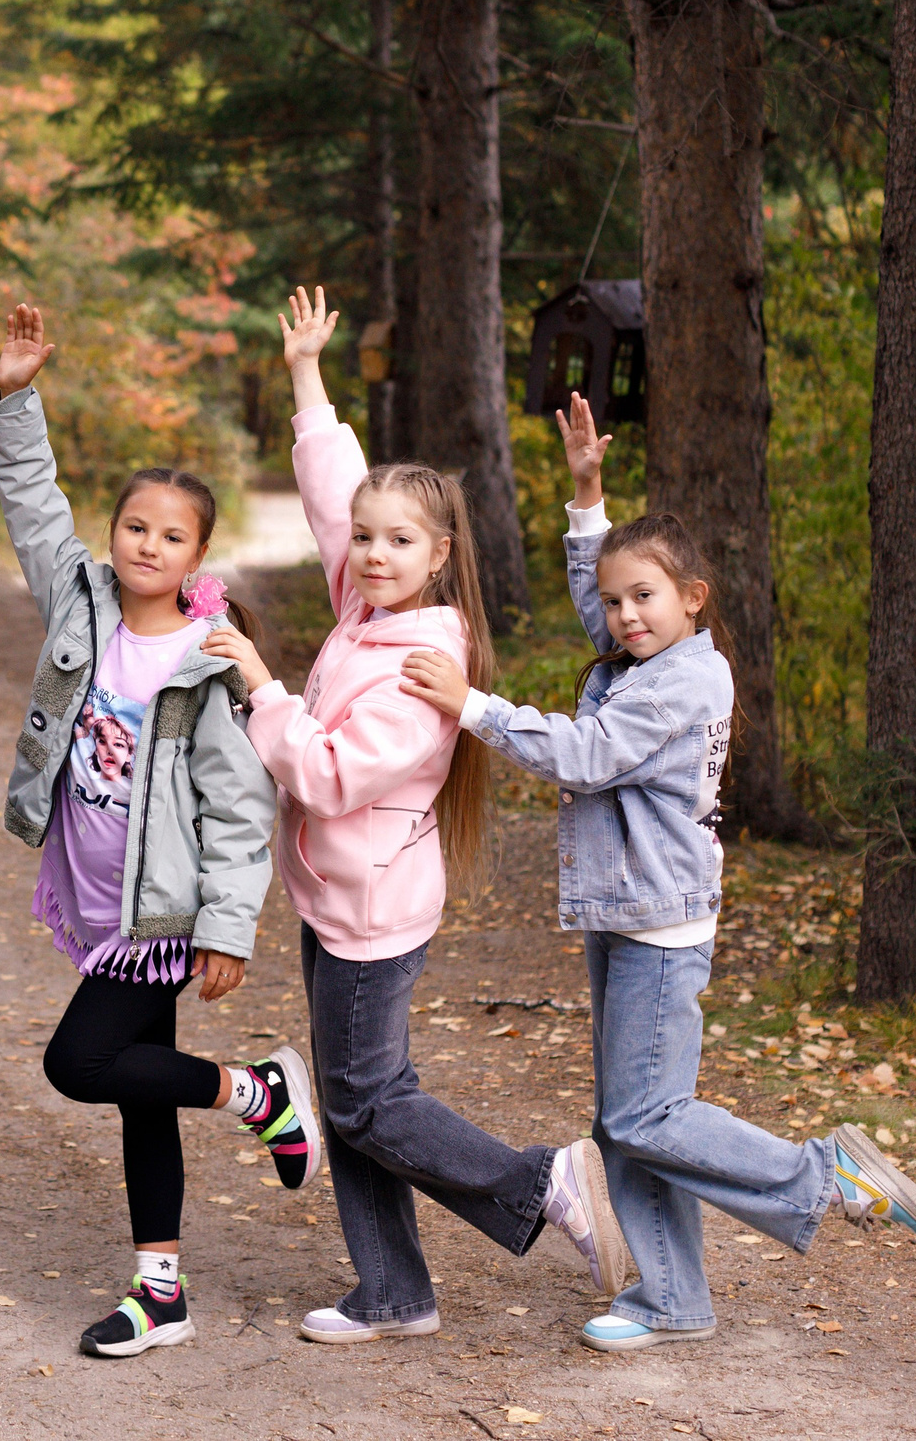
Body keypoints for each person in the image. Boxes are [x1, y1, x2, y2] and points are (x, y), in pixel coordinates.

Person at [401, 391, 916, 1353]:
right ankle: (673, 1297)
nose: (620, 614)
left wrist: (473, 703)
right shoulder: (643, 653)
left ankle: (826, 1176)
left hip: (660, 922)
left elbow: (585, 753)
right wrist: (586, 496)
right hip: (627, 909)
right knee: (627, 1123)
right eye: (615, 600)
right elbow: (596, 598)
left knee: (649, 1112)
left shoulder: (685, 680)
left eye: (644, 596)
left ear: (694, 598)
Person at [200, 288, 630, 1345]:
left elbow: (332, 772)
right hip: (339, 893)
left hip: (372, 911)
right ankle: (393, 1292)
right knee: (359, 1100)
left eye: (399, 540)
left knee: (366, 1104)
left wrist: (261, 682)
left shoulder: (423, 666)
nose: (373, 553)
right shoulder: (367, 603)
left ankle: (544, 1185)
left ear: (440, 554)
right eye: (366, 540)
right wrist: (306, 373)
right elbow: (332, 487)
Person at [0, 304, 289, 1359]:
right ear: (113, 536)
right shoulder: (84, 606)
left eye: (171, 535)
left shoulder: (208, 661)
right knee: (136, 1094)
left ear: (200, 552)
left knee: (80, 1061)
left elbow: (243, 809)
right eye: (133, 527)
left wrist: (227, 925)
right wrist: (18, 396)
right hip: (95, 895)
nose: (146, 544)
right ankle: (160, 1289)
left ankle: (256, 1090)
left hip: (156, 911)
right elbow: (32, 508)